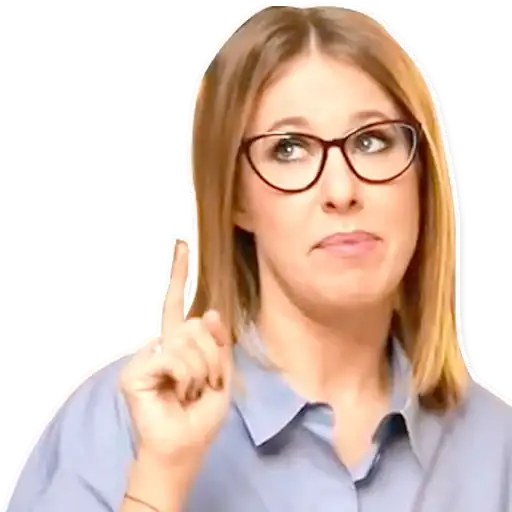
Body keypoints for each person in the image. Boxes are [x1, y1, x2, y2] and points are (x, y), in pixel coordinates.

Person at [6, 4, 512, 512]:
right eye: (288, 149)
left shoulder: (497, 449)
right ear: (236, 198)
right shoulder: (117, 423)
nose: (342, 190)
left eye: (372, 141)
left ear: (422, 178)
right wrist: (161, 474)